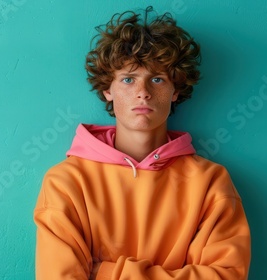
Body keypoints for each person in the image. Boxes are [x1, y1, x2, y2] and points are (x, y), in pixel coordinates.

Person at [33, 6, 251, 280]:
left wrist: (106, 273)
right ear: (107, 89)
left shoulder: (211, 182)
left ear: (176, 91)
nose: (143, 93)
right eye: (128, 79)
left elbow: (225, 276)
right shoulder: (66, 182)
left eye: (157, 79)